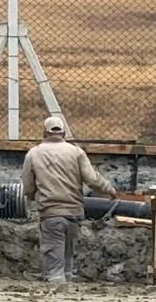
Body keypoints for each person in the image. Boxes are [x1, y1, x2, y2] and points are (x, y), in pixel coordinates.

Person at [22, 116, 117, 284]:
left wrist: (31, 199)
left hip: (51, 213)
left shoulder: (34, 153)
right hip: (74, 213)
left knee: (54, 262)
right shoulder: (76, 152)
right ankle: (68, 284)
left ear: (44, 132)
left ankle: (57, 293)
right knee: (67, 258)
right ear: (64, 132)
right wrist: (108, 188)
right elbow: (91, 178)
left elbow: (28, 186)